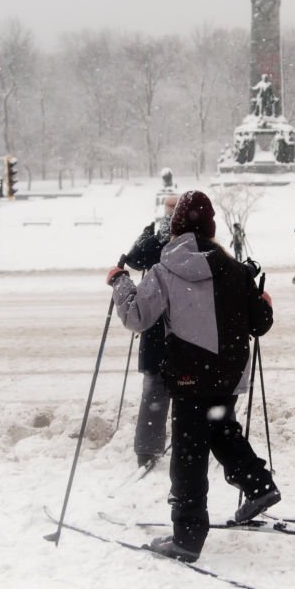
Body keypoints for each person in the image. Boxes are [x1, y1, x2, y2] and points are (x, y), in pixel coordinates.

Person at [108, 190, 280, 562]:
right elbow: (260, 324)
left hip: (190, 373)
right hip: (229, 372)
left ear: (176, 227)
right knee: (219, 426)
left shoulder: (165, 269)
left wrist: (120, 282)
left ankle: (187, 537)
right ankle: (258, 485)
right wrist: (263, 303)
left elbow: (137, 317)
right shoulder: (234, 269)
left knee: (189, 453)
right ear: (210, 227)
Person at [123, 195, 178, 468]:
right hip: (185, 328)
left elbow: (133, 259)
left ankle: (148, 449)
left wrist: (148, 236)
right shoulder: (191, 244)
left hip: (156, 326)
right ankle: (187, 444)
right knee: (188, 390)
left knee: (155, 391)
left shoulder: (156, 244)